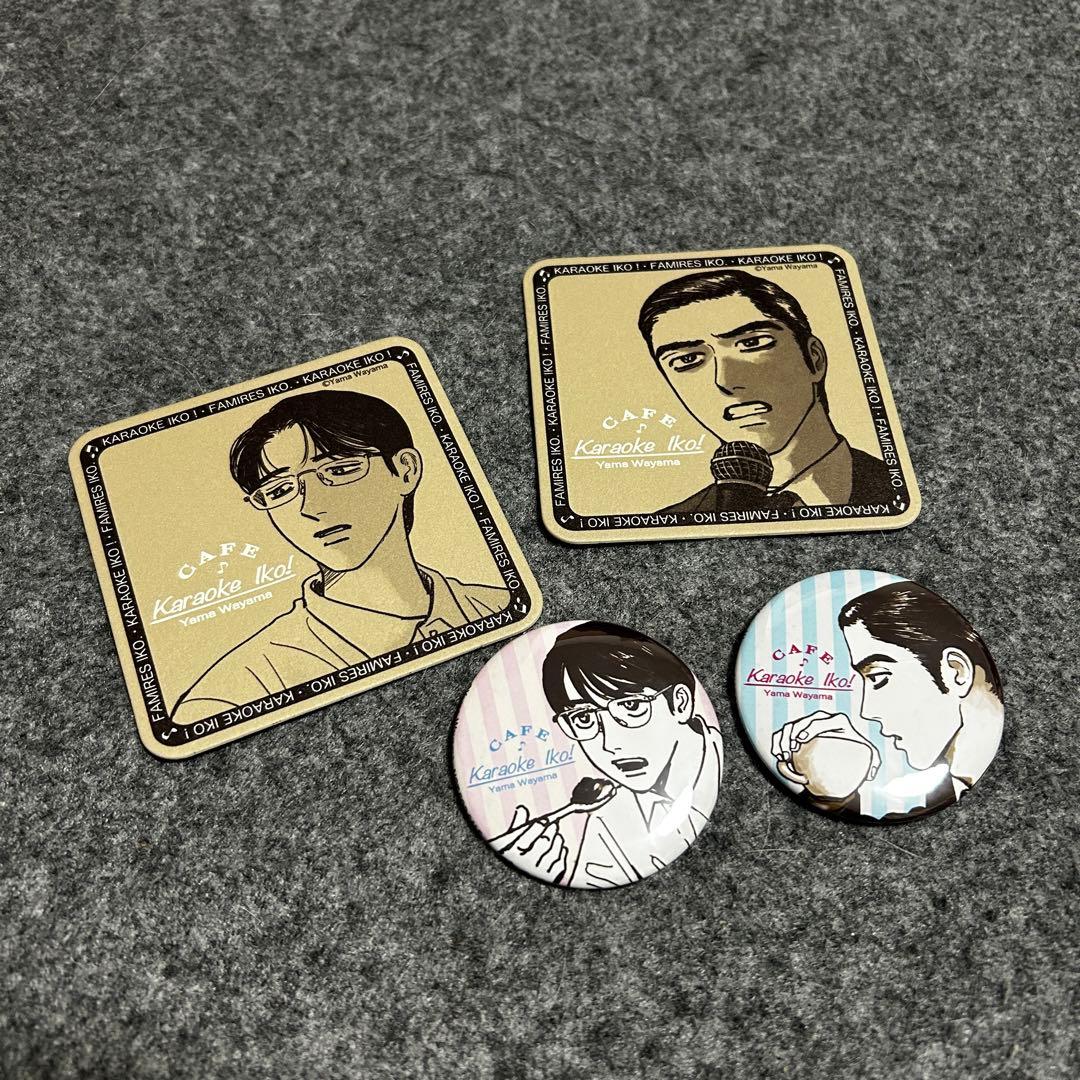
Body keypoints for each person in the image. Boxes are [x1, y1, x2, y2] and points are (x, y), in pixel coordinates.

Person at [171, 390, 509, 723]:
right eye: (279, 490)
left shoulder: (499, 605)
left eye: (339, 470)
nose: (311, 506)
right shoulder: (229, 696)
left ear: (405, 471)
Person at [637, 268, 892, 512]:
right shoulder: (673, 520)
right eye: (687, 360)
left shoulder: (892, 487)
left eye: (752, 343)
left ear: (814, 359)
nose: (724, 381)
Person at [491, 622, 722, 887]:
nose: (611, 744)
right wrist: (553, 871)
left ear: (680, 702)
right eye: (583, 718)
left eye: (631, 706)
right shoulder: (607, 820)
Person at [770, 581, 1004, 814]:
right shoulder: (950, 788)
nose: (866, 711)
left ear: (955, 671)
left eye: (878, 678)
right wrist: (833, 785)